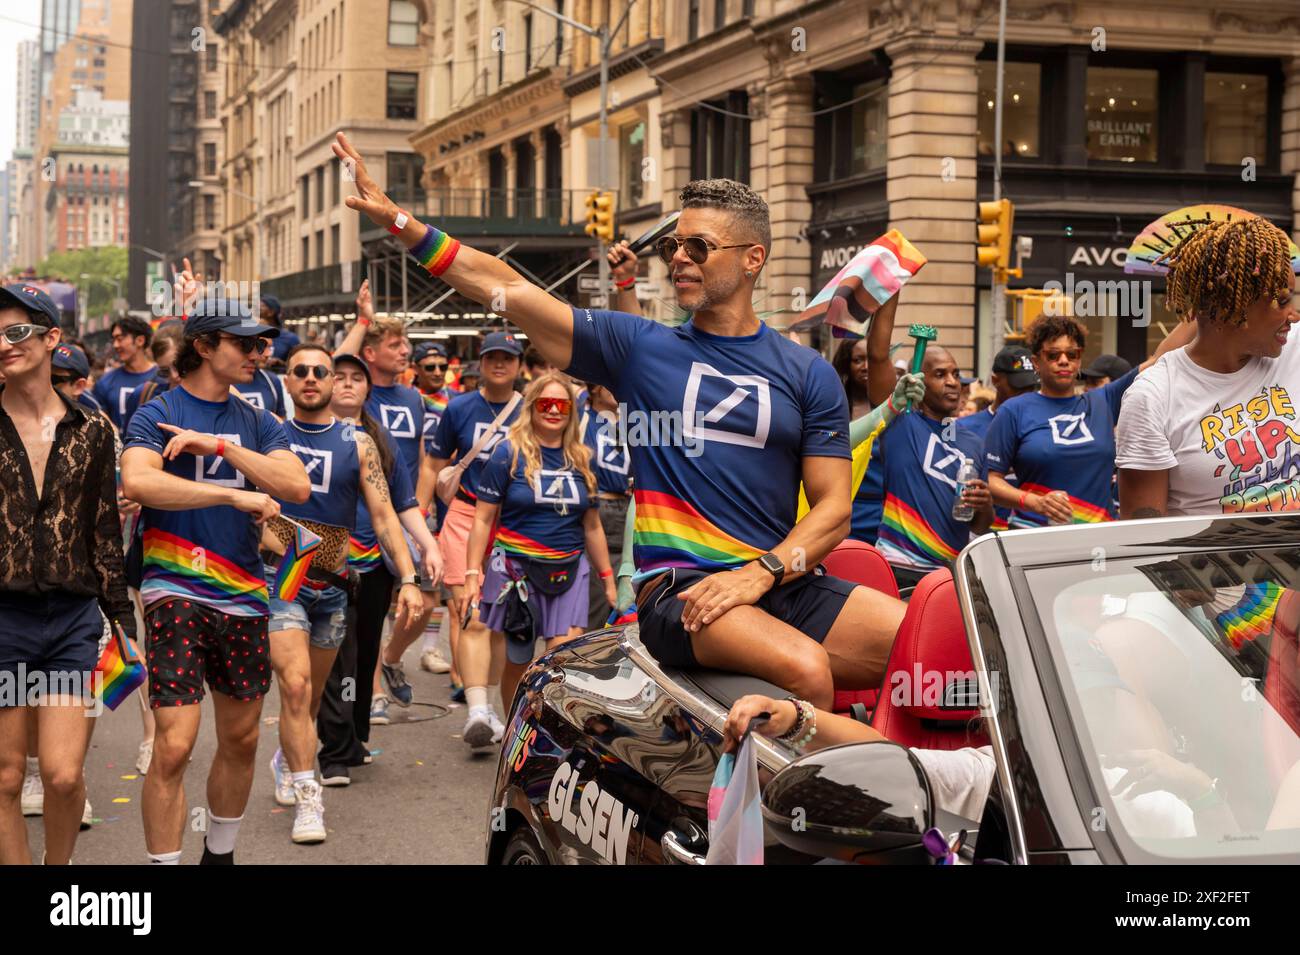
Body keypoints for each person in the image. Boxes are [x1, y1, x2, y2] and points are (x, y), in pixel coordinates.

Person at [336, 131, 906, 709]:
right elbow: (505, 286)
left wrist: (763, 572)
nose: (679, 257)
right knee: (806, 669)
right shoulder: (635, 345)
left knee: (934, 644)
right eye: (674, 246)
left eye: (699, 246)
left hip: (778, 580)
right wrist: (400, 222)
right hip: (680, 590)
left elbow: (833, 508)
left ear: (752, 259)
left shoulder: (808, 371)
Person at [120, 296, 311, 864]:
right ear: (203, 346)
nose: (259, 353)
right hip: (173, 588)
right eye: (245, 343)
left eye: (261, 344)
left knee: (243, 738)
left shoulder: (257, 420)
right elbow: (140, 483)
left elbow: (295, 486)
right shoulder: (157, 412)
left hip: (245, 595)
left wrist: (224, 448)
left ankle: (219, 856)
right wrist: (231, 495)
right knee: (174, 745)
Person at [262, 344, 422, 842]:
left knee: (310, 699)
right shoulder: (269, 435)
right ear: (288, 381)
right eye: (300, 371)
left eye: (321, 371)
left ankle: (288, 757)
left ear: (334, 382)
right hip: (283, 578)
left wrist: (409, 577)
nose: (311, 378)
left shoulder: (359, 443)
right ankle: (308, 796)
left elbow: (384, 515)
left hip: (333, 584)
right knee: (295, 686)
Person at [0, 284, 134, 865]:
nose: (4, 345)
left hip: (72, 620)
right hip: (4, 621)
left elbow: (104, 533)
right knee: (6, 778)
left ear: (52, 338)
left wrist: (122, 620)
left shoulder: (92, 430)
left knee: (60, 775)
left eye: (16, 332)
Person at [1116, 217, 1300, 518]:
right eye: (1281, 302)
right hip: (1207, 551)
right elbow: (1144, 536)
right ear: (1232, 305)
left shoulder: (1295, 349)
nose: (1293, 315)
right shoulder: (1152, 398)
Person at [314, 351, 439, 784]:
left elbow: (402, 503)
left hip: (373, 566)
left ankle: (354, 737)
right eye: (339, 376)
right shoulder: (308, 434)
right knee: (336, 658)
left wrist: (427, 545)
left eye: (357, 377)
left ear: (369, 389)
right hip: (324, 568)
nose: (348, 383)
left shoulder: (378, 440)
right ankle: (333, 750)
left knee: (365, 654)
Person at [465, 374, 617, 725]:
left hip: (569, 570)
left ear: (572, 411)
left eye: (561, 405)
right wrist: (473, 573)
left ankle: (546, 733)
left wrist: (609, 580)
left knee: (559, 660)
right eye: (545, 404)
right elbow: (483, 519)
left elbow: (592, 525)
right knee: (518, 660)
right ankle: (515, 729)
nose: (553, 411)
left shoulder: (583, 458)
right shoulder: (507, 454)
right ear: (532, 408)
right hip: (516, 572)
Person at [333, 287, 442, 715]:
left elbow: (418, 457)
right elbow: (334, 365)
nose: (405, 351)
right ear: (370, 355)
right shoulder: (358, 393)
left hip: (405, 512)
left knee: (422, 602)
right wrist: (363, 321)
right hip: (359, 524)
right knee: (363, 619)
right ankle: (372, 693)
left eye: (405, 344)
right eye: (395, 344)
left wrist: (422, 520)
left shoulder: (413, 397)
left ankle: (390, 660)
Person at [427, 331, 523, 746]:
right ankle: (476, 707)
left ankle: (493, 709)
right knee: (469, 611)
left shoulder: (530, 411)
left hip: (511, 523)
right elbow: (432, 464)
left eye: (508, 357)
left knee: (499, 621)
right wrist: (421, 518)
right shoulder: (460, 407)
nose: (499, 364)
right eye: (492, 357)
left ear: (519, 364)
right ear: (480, 364)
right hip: (465, 516)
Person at [985, 315, 1158, 526]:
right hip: (1034, 536)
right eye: (1053, 355)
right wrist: (1034, 502)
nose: (1064, 360)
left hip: (1099, 538)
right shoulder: (1014, 410)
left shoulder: (1103, 401)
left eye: (1072, 354)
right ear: (1036, 362)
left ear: (1079, 359)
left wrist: (1191, 303)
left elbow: (1160, 358)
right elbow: (990, 480)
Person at [867, 345, 994, 587]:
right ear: (920, 383)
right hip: (899, 568)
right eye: (940, 374)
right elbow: (877, 355)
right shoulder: (900, 424)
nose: (952, 382)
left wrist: (985, 504)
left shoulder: (975, 444)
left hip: (951, 576)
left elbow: (979, 525)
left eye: (956, 374)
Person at [954, 345, 1039, 530]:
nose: (1026, 394)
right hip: (980, 533)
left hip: (1029, 531)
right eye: (1018, 386)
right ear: (995, 380)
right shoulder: (964, 427)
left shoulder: (1044, 429)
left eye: (1031, 387)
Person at [412, 341, 457, 676]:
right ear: (416, 369)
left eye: (443, 366)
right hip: (413, 496)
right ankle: (397, 645)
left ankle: (430, 647)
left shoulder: (455, 402)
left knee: (439, 577)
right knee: (408, 576)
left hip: (448, 497)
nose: (438, 372)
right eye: (430, 367)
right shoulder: (409, 400)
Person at [581, 381, 632, 630]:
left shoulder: (630, 423)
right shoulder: (581, 420)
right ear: (594, 388)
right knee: (596, 593)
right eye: (607, 382)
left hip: (628, 508)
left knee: (626, 589)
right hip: (595, 508)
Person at [94, 316, 158, 430]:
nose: (115, 345)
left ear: (140, 340)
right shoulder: (105, 382)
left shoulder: (162, 378)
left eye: (120, 339)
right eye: (114, 340)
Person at [262, 295, 300, 363]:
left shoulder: (290, 338)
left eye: (261, 306)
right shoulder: (251, 335)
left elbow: (297, 362)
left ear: (271, 312)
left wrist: (281, 364)